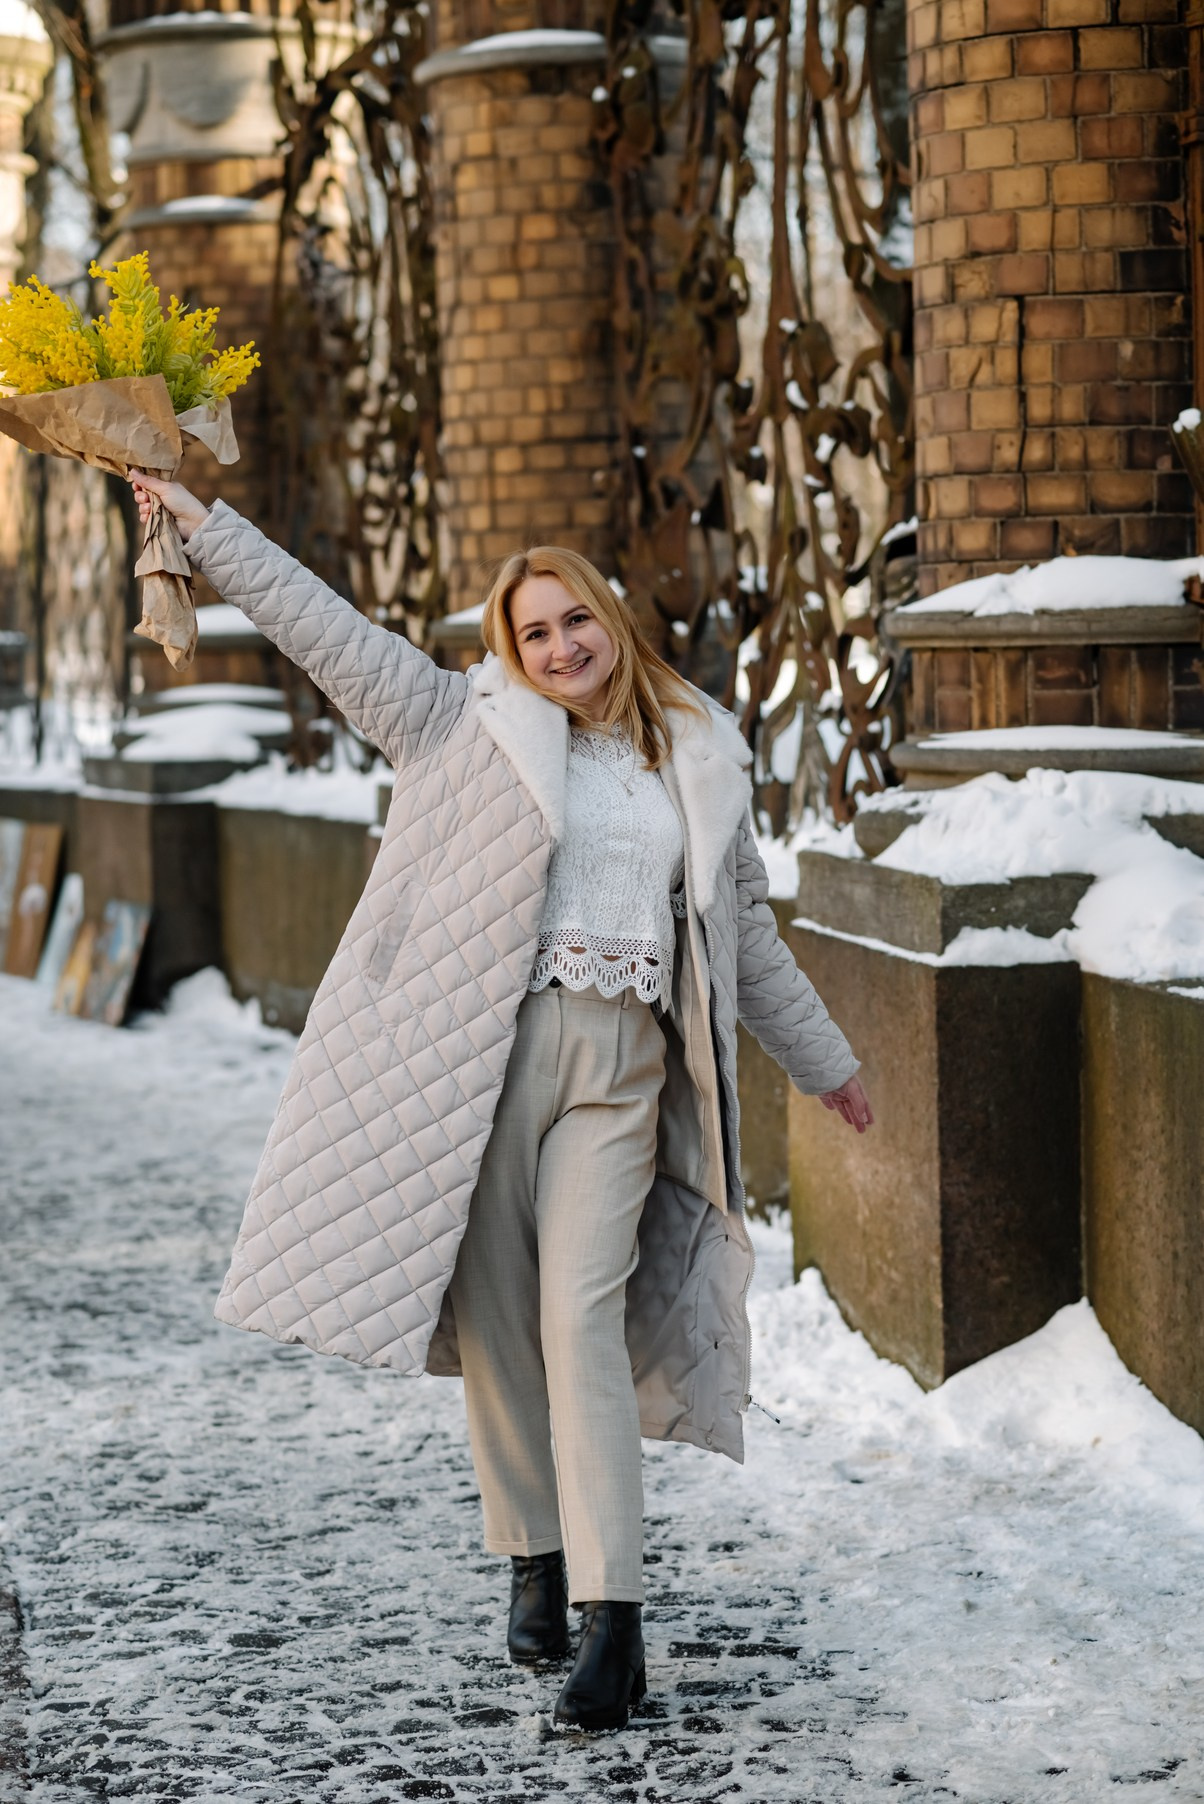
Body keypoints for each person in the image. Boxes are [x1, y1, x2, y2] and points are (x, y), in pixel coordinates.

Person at [129, 470, 874, 1733]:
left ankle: (613, 1618)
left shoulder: (697, 756)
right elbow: (325, 627)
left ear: (611, 620)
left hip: (620, 1072)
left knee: (579, 1317)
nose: (560, 647)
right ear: (508, 649)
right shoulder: (455, 726)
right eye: (532, 632)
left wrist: (829, 1064)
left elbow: (743, 928)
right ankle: (532, 1550)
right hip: (476, 1061)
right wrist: (205, 527)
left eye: (575, 621)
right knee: (495, 1323)